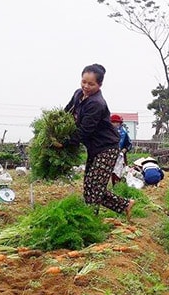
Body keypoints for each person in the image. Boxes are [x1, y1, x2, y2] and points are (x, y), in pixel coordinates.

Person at [54, 63, 134, 220]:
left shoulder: (96, 103)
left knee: (95, 187)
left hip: (107, 148)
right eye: (84, 81)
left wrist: (63, 143)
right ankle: (125, 204)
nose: (86, 86)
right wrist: (56, 126)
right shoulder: (78, 94)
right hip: (94, 148)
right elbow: (67, 112)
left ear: (100, 84)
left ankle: (90, 221)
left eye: (91, 84)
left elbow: (84, 132)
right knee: (89, 186)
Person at [110, 114, 132, 185]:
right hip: (109, 155)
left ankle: (119, 186)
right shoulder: (106, 132)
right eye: (114, 122)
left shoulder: (123, 132)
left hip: (120, 155)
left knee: (120, 171)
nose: (116, 124)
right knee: (111, 171)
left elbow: (129, 144)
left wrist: (125, 149)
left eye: (118, 123)